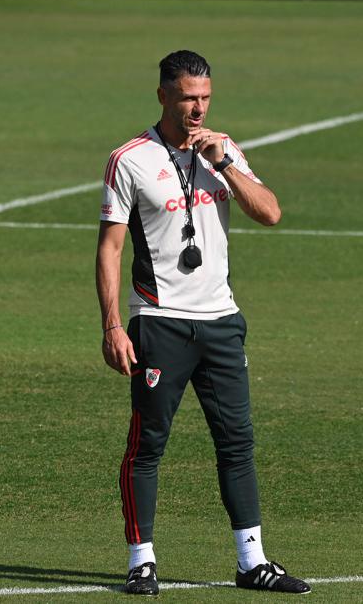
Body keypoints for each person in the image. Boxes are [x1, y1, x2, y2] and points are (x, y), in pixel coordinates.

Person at [95, 50, 311, 596]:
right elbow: (110, 248)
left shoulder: (225, 149)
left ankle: (251, 561)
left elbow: (271, 213)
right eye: (189, 97)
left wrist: (227, 165)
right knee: (148, 445)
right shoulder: (130, 159)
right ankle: (140, 561)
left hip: (221, 322)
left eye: (206, 98)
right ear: (164, 94)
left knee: (237, 442)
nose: (198, 108)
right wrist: (113, 326)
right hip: (160, 323)